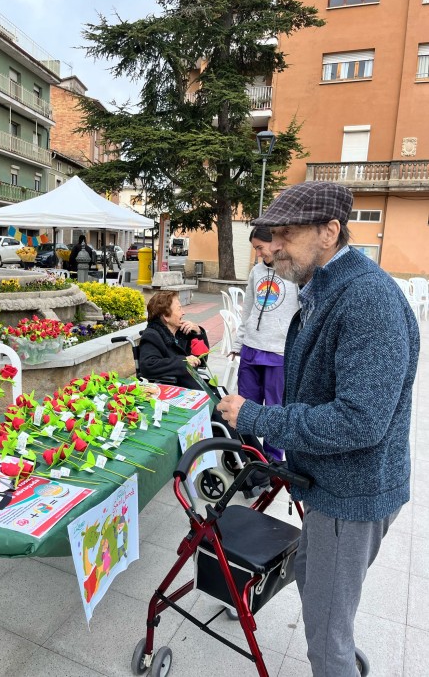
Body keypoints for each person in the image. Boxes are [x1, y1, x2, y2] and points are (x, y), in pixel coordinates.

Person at [217, 181, 419, 676]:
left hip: (350, 495)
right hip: (329, 487)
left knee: (326, 639)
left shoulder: (365, 299)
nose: (274, 246)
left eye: (287, 233)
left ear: (329, 232)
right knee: (313, 580)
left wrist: (257, 417)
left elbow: (360, 421)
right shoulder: (328, 288)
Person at [229, 226, 299, 461]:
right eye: (255, 249)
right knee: (245, 407)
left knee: (274, 411)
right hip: (251, 349)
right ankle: (248, 458)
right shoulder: (256, 272)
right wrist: (238, 343)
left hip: (279, 353)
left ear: (274, 243)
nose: (258, 253)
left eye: (260, 247)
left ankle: (273, 462)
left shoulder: (293, 271)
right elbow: (248, 309)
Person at [139, 291, 209, 390]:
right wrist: (183, 361)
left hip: (193, 384)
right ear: (166, 316)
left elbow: (202, 360)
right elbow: (148, 366)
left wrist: (197, 333)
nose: (183, 312)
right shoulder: (152, 335)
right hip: (177, 389)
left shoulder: (183, 332)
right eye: (179, 309)